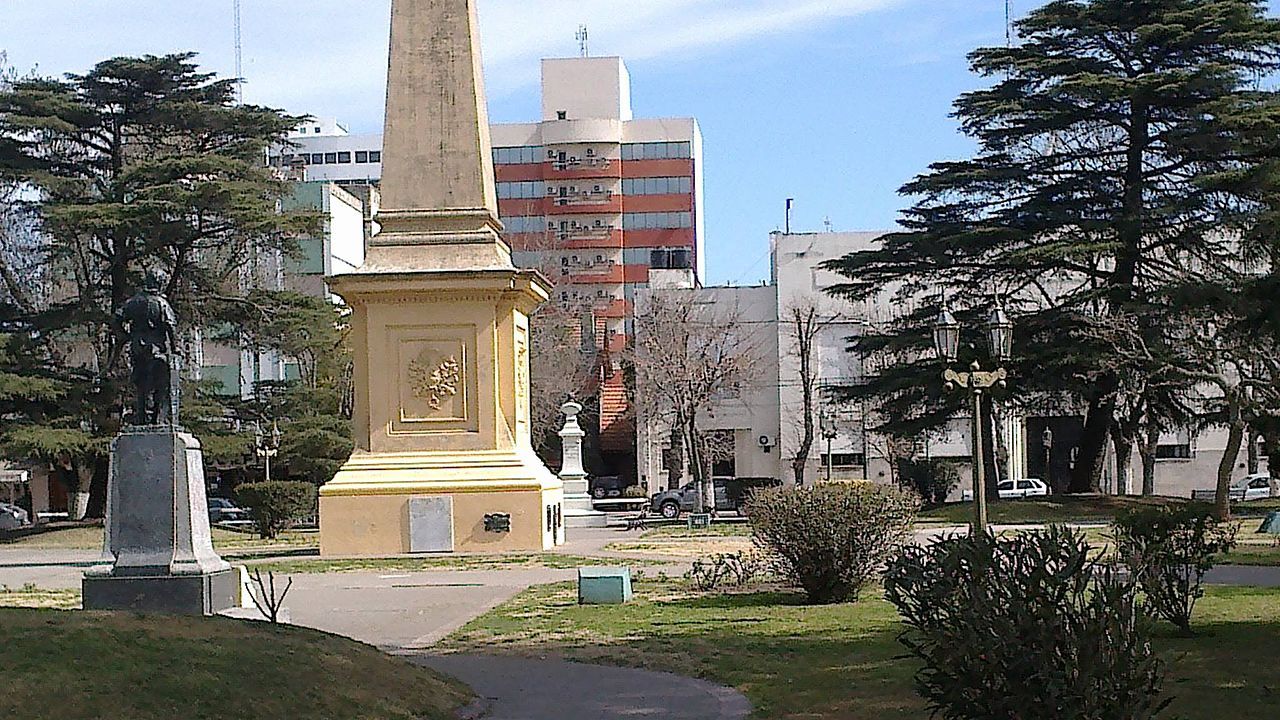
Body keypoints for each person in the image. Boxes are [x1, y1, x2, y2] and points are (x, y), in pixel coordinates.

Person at [116, 271, 179, 425]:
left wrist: (124, 335)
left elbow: (116, 318)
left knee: (142, 385)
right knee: (158, 384)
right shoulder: (161, 303)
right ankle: (155, 420)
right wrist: (175, 348)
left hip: (137, 348)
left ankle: (143, 418)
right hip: (156, 350)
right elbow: (170, 326)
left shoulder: (134, 302)